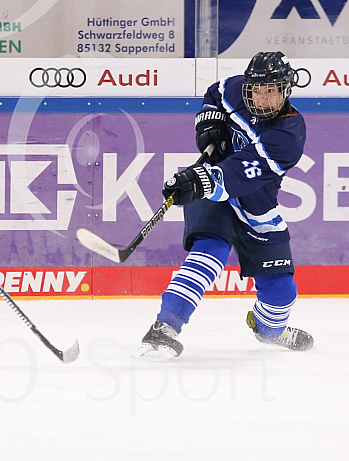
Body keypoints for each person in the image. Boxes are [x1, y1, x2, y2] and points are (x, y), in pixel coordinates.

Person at [134, 51, 314, 360]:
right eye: (257, 90)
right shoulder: (235, 90)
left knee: (282, 291)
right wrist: (210, 125)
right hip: (214, 196)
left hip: (255, 205)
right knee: (210, 251)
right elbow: (215, 93)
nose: (262, 99)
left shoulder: (288, 135)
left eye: (271, 91)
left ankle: (270, 330)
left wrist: (198, 181)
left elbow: (239, 173)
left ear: (285, 90)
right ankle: (164, 328)